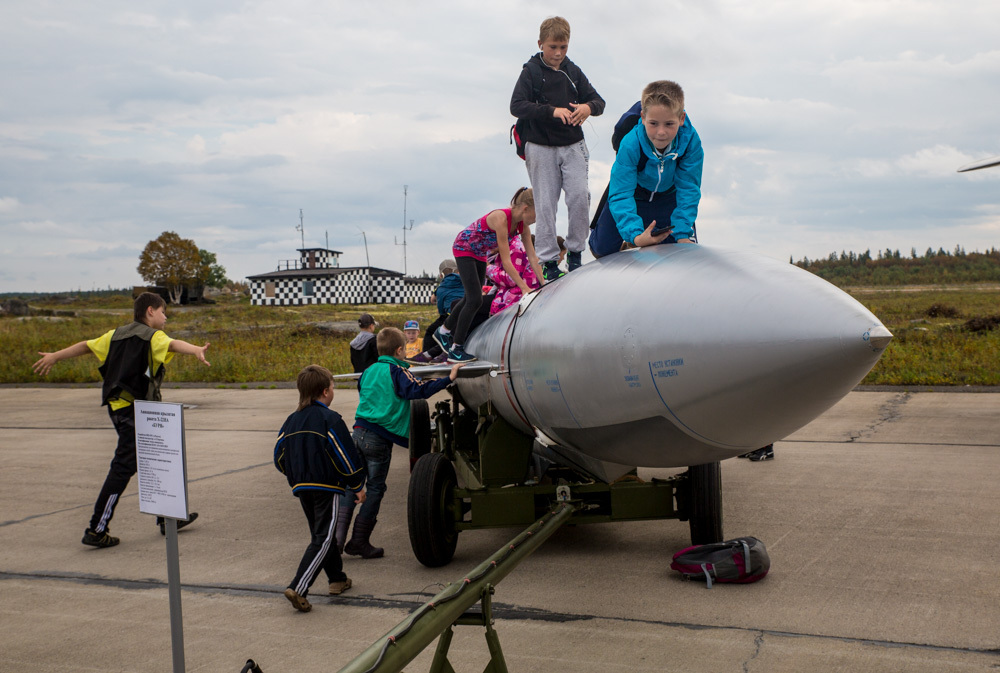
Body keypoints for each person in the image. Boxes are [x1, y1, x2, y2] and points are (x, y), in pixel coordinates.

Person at [32, 292, 210, 548]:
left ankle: (167, 518)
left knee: (151, 458)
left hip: (121, 407)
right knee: (124, 466)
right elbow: (174, 344)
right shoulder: (153, 336)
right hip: (133, 411)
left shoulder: (114, 334)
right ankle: (96, 529)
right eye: (163, 312)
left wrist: (55, 356)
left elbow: (86, 344)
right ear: (150, 311)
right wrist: (196, 350)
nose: (165, 317)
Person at [336, 328, 464, 558]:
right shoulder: (397, 371)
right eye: (405, 348)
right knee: (375, 489)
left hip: (358, 433)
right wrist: (448, 379)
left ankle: (336, 542)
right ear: (399, 350)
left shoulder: (368, 371)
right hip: (378, 439)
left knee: (352, 487)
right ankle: (359, 541)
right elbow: (418, 391)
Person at [510, 15, 605, 281]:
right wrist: (552, 111)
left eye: (563, 47)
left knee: (579, 196)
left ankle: (575, 253)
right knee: (545, 203)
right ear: (541, 44)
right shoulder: (531, 71)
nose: (558, 53)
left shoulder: (572, 71)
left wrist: (587, 108)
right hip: (539, 146)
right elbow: (516, 105)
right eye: (553, 47)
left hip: (572, 144)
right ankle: (549, 261)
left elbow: (599, 101)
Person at [274, 365, 367, 612]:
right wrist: (357, 484)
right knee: (324, 538)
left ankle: (337, 579)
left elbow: (279, 457)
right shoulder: (330, 419)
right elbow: (345, 456)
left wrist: (295, 474)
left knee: (321, 535)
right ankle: (299, 587)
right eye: (333, 387)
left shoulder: (291, 421)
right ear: (325, 391)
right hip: (326, 486)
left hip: (301, 486)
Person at [589, 80, 704, 258]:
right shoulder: (630, 144)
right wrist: (635, 236)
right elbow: (621, 192)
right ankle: (627, 236)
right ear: (643, 118)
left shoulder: (691, 142)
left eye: (669, 124)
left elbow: (689, 188)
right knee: (602, 250)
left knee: (680, 252)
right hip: (634, 194)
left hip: (667, 197)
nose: (661, 132)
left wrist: (682, 234)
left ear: (681, 119)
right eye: (653, 123)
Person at [433, 187, 544, 363]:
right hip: (464, 248)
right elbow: (506, 262)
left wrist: (543, 283)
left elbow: (532, 257)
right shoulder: (501, 219)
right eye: (537, 215)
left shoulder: (523, 228)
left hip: (479, 253)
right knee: (474, 299)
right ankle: (456, 348)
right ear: (526, 209)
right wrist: (524, 288)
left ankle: (443, 331)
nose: (537, 220)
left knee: (471, 298)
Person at [485, 234, 562, 315]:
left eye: (489, 239)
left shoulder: (515, 249)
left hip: (513, 299)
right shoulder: (508, 249)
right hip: (510, 296)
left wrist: (489, 268)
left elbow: (510, 279)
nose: (487, 245)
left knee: (475, 307)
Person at [349, 313, 378, 388]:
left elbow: (353, 360)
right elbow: (378, 357)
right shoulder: (373, 340)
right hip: (372, 376)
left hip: (359, 376)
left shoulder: (353, 343)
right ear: (371, 326)